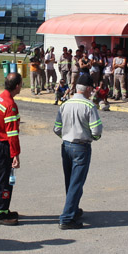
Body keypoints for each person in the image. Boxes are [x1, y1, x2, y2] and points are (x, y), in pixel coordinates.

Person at [53, 73, 102, 229]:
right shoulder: (89, 106)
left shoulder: (65, 104)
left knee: (70, 181)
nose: (92, 91)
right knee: (77, 182)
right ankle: (67, 218)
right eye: (91, 89)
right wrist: (92, 137)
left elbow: (56, 129)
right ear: (87, 89)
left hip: (66, 145)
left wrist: (66, 135)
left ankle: (72, 209)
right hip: (81, 146)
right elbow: (96, 131)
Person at [0, 72, 22, 225]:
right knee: (5, 180)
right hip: (4, 146)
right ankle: (0, 214)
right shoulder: (10, 106)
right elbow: (12, 133)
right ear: (17, 86)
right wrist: (15, 154)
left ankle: (3, 209)